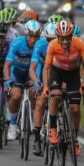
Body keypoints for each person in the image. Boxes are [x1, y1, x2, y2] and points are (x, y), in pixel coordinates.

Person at [43, 20, 84, 156]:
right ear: (58, 37)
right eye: (62, 38)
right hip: (57, 72)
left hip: (73, 73)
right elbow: (47, 68)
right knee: (56, 95)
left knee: (75, 109)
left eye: (67, 38)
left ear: (71, 36)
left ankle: (74, 138)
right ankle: (53, 129)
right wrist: (46, 86)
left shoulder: (79, 43)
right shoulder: (52, 45)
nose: (64, 41)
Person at [4, 20, 42, 140]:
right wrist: (8, 80)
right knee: (16, 96)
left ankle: (36, 120)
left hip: (31, 73)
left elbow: (40, 65)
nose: (33, 39)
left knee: (35, 93)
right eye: (30, 36)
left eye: (36, 36)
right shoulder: (17, 42)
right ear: (25, 35)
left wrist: (36, 81)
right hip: (17, 72)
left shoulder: (40, 44)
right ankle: (13, 124)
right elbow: (7, 65)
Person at [29, 22, 56, 155]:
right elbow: (32, 69)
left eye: (54, 39)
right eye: (48, 39)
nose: (51, 42)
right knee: (40, 102)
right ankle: (36, 139)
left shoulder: (64, 45)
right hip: (42, 71)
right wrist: (37, 83)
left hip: (57, 72)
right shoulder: (40, 44)